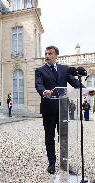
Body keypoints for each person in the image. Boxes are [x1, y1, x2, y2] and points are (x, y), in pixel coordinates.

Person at [35, 45, 82, 174]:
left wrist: (85, 89)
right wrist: (44, 91)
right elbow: (39, 84)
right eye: (46, 53)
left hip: (63, 108)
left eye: (50, 53)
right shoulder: (40, 70)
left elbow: (74, 82)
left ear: (56, 56)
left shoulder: (64, 69)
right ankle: (51, 163)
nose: (47, 56)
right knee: (49, 137)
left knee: (64, 137)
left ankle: (64, 162)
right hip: (48, 108)